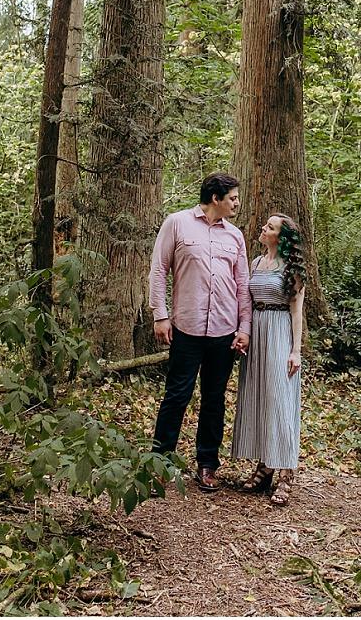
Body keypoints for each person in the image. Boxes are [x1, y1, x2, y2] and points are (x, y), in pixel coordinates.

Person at [149, 172, 252, 491]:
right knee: (177, 396)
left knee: (214, 399)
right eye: (232, 197)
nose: (237, 202)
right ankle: (160, 464)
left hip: (224, 331)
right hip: (186, 328)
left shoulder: (235, 236)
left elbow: (243, 285)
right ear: (215, 198)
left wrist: (244, 327)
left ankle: (207, 465)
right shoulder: (177, 223)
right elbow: (158, 269)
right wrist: (160, 315)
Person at [231, 212, 307, 507]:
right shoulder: (256, 263)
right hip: (257, 332)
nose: (263, 228)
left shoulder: (293, 269)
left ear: (282, 237)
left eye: (270, 227)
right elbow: (247, 301)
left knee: (279, 400)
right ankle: (265, 464)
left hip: (279, 333)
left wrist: (295, 350)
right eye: (266, 224)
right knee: (260, 399)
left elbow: (297, 311)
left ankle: (287, 471)